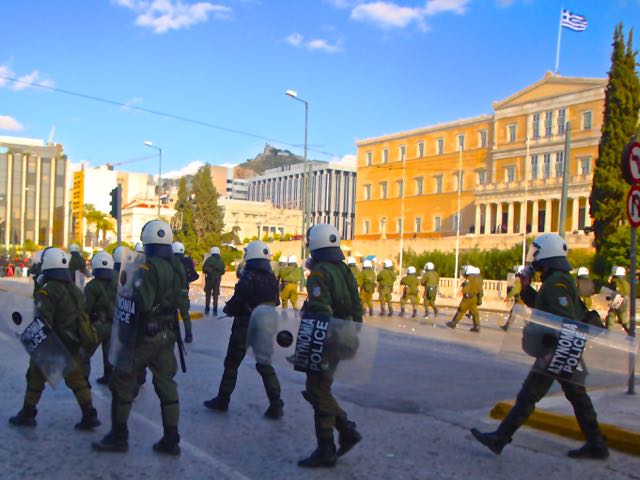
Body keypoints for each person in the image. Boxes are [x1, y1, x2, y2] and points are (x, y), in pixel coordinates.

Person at [471, 233, 609, 460]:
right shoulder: (557, 279)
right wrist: (525, 289)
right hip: (565, 348)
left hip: (558, 349)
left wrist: (552, 352)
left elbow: (563, 319)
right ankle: (596, 444)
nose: (533, 257)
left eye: (536, 252)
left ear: (546, 254)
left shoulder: (556, 282)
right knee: (576, 396)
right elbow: (545, 309)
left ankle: (500, 438)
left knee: (529, 395)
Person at [92, 220, 185, 455]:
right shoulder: (176, 266)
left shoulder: (147, 268)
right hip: (168, 334)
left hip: (144, 336)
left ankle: (118, 436)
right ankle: (171, 438)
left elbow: (141, 303)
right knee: (166, 385)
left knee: (122, 382)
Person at [9, 247, 100, 430]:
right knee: (76, 379)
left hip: (54, 343)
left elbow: (43, 320)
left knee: (35, 376)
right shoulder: (74, 288)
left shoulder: (48, 291)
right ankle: (89, 412)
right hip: (74, 340)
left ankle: (28, 412)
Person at [298, 224, 363, 468]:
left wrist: (310, 346)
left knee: (317, 389)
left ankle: (329, 445)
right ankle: (344, 429)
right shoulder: (345, 270)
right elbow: (357, 306)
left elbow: (320, 311)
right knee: (319, 387)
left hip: (326, 338)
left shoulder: (320, 273)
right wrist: (354, 333)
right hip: (344, 334)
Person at [203, 240, 283, 419]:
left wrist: (229, 309)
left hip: (245, 326)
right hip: (265, 325)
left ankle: (223, 399)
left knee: (231, 363)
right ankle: (276, 402)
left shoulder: (249, 276)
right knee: (264, 363)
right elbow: (276, 302)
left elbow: (238, 299)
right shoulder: (271, 277)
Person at [84, 251, 116, 384]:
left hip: (97, 325)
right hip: (113, 324)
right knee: (109, 352)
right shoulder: (117, 284)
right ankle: (109, 377)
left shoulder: (91, 286)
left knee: (84, 354)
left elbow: (86, 309)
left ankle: (83, 381)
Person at [172, 241, 197, 342]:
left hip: (172, 292)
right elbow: (195, 275)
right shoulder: (188, 261)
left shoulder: (170, 260)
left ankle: (173, 336)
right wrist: (187, 281)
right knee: (185, 316)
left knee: (170, 315)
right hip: (184, 291)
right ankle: (189, 335)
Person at [447, 266, 483, 332]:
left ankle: (453, 323)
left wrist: (464, 291)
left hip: (467, 298)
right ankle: (477, 326)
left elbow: (466, 289)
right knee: (475, 313)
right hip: (475, 298)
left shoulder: (469, 279)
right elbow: (480, 290)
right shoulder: (479, 279)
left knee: (461, 310)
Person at [500, 266, 526, 331]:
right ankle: (507, 326)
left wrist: (508, 296)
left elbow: (515, 290)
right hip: (521, 299)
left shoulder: (519, 280)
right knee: (513, 314)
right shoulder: (524, 279)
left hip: (519, 300)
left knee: (522, 315)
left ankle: (531, 326)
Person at [202, 246, 225, 315]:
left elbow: (204, 269)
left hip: (209, 279)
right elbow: (223, 272)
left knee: (208, 294)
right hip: (217, 280)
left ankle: (207, 309)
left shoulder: (209, 259)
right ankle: (215, 310)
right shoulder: (221, 261)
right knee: (215, 295)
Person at [607, 266, 630, 334]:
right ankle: (630, 331)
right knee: (623, 317)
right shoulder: (625, 282)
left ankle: (607, 331)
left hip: (618, 298)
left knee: (612, 315)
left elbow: (612, 290)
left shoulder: (615, 281)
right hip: (625, 299)